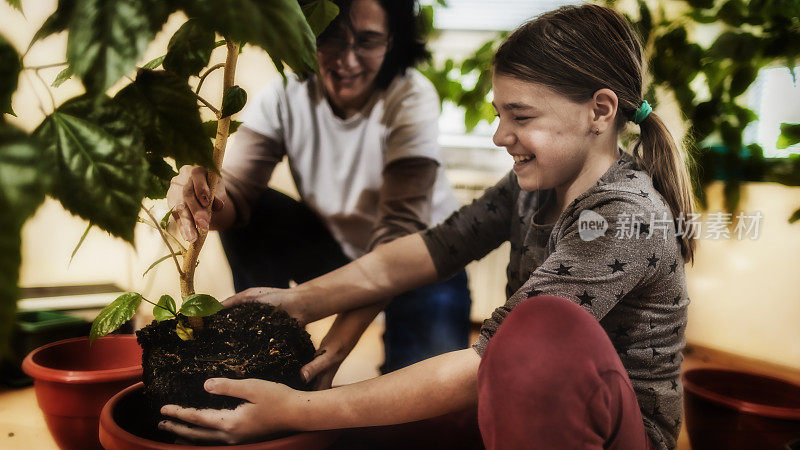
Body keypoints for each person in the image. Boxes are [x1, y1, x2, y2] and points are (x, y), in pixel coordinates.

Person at [160, 4, 694, 449]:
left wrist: (301, 410)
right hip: (530, 401)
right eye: (498, 114)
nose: (499, 135)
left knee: (527, 337)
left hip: (620, 435)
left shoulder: (624, 217)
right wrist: (298, 303)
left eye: (521, 117)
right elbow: (432, 248)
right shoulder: (534, 189)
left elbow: (484, 363)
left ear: (599, 111)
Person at [167, 0, 472, 383]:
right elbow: (237, 196)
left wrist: (332, 352)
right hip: (339, 250)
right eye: (331, 39)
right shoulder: (286, 94)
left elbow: (397, 238)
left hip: (421, 263)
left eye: (368, 41)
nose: (348, 60)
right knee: (258, 212)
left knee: (425, 400)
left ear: (392, 41)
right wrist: (203, 192)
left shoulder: (410, 96)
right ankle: (269, 344)